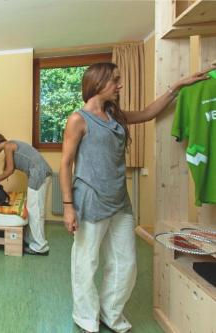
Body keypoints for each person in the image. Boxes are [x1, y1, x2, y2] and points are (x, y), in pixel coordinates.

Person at [59, 62, 210, 333]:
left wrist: (176, 87)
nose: (120, 85)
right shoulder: (78, 119)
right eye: (115, 80)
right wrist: (68, 206)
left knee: (125, 262)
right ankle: (85, 317)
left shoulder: (114, 116)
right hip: (90, 200)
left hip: (119, 200)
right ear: (98, 82)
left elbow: (148, 113)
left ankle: (111, 313)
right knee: (86, 262)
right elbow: (65, 163)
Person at [0, 133, 52, 255]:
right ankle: (32, 240)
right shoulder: (11, 145)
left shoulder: (8, 146)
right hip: (41, 173)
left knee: (34, 210)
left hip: (38, 174)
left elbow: (10, 170)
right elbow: (8, 168)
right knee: (37, 209)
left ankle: (40, 247)